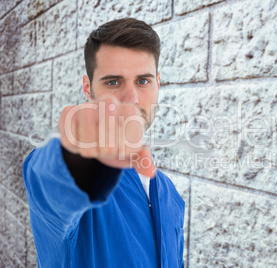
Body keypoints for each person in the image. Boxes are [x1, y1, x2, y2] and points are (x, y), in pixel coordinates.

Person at [23, 18, 185, 268]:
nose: (131, 98)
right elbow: (50, 177)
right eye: (113, 82)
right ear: (88, 88)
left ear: (158, 83)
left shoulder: (169, 193)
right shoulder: (72, 176)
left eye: (143, 81)